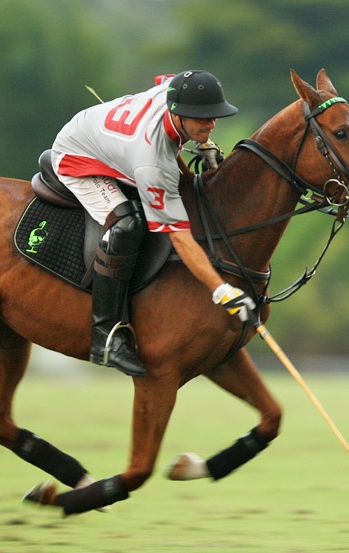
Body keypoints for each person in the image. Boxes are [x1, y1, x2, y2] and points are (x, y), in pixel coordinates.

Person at [51, 70, 256, 377]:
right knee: (127, 225)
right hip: (78, 156)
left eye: (214, 116)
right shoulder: (153, 160)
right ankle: (106, 338)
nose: (211, 123)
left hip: (105, 134)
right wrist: (221, 289)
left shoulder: (176, 91)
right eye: (203, 119)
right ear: (178, 113)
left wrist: (203, 142)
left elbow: (166, 80)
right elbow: (180, 236)